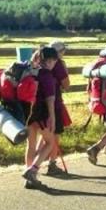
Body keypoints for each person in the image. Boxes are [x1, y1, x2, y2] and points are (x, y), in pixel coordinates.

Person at [22, 47, 60, 188]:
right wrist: (53, 117)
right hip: (42, 113)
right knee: (49, 142)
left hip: (28, 112)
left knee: (31, 145)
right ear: (50, 61)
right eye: (54, 61)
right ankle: (33, 170)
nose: (54, 63)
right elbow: (50, 99)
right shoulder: (47, 76)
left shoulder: (32, 72)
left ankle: (29, 177)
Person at [46, 41, 71, 176]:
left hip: (39, 104)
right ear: (59, 52)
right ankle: (52, 164)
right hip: (54, 103)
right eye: (63, 51)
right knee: (55, 134)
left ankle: (34, 166)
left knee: (43, 135)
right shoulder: (58, 64)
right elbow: (66, 84)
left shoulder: (40, 60)